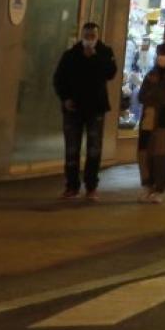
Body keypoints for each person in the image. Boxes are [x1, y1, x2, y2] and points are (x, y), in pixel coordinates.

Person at [52, 22, 117, 200]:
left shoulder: (105, 52)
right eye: (86, 35)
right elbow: (59, 79)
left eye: (92, 35)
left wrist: (94, 57)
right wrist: (65, 98)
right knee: (72, 148)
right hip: (74, 109)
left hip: (95, 108)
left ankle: (91, 186)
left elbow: (110, 73)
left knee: (94, 149)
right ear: (82, 35)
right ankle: (72, 186)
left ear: (98, 35)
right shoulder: (71, 54)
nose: (89, 39)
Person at [135, 44, 165, 203]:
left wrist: (154, 91)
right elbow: (141, 96)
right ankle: (148, 185)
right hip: (148, 118)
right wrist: (156, 94)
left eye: (164, 54)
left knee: (161, 154)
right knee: (144, 152)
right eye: (159, 54)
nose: (160, 57)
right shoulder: (151, 74)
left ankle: (159, 188)